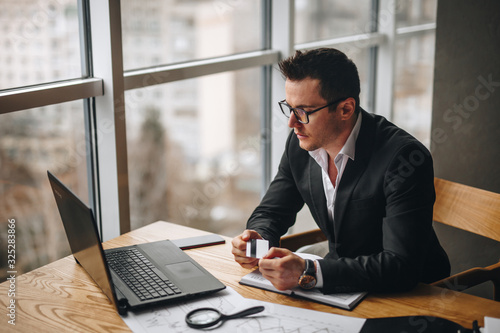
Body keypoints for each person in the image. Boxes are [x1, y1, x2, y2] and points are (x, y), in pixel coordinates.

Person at [231, 48, 450, 294]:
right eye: (289, 108)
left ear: (345, 109)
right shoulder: (300, 144)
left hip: (413, 292)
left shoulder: (404, 158)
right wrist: (257, 239)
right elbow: (271, 211)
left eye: (303, 112)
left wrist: (310, 272)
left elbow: (401, 266)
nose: (291, 123)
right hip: (343, 285)